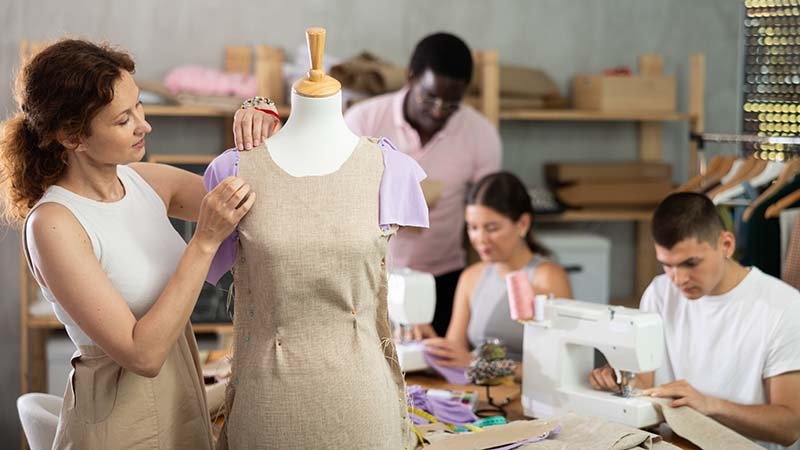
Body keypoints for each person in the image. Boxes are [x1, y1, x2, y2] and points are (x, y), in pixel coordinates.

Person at [0, 39, 275, 449]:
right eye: (122, 119)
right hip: (117, 426)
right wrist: (203, 242)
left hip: (180, 400)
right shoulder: (53, 224)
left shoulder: (143, 181)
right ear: (73, 137)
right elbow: (141, 355)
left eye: (139, 106)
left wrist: (261, 111)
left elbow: (262, 199)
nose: (144, 125)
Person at [589, 192, 800, 449]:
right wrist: (620, 381)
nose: (678, 279)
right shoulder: (659, 292)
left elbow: (789, 427)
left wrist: (709, 405)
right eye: (667, 265)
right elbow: (644, 383)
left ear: (726, 245)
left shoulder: (784, 307)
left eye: (691, 263)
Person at [343, 32, 502, 336]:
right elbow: (338, 197)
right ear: (410, 77)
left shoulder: (480, 134)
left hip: (442, 277)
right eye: (429, 97)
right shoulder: (363, 121)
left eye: (452, 103)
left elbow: (486, 209)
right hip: (369, 275)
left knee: (431, 373)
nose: (439, 110)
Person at [420, 172, 572, 368]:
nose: (480, 238)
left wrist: (478, 365)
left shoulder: (548, 277)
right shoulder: (471, 277)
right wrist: (427, 342)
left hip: (525, 394)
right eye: (472, 227)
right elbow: (455, 351)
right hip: (480, 390)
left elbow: (559, 366)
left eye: (491, 228)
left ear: (523, 223)